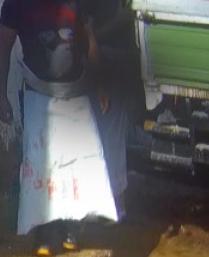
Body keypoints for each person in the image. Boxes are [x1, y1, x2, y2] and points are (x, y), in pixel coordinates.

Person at [0, 0, 118, 256]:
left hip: (75, 92)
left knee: (78, 162)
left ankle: (71, 229)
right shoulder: (16, 4)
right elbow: (3, 47)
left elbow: (90, 42)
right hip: (38, 94)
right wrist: (1, 95)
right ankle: (43, 235)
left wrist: (100, 85)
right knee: (41, 165)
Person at [86, 0, 137, 217]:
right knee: (110, 134)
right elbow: (89, 34)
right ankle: (115, 204)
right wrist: (122, 19)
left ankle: (115, 203)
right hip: (104, 61)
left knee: (112, 134)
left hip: (119, 61)